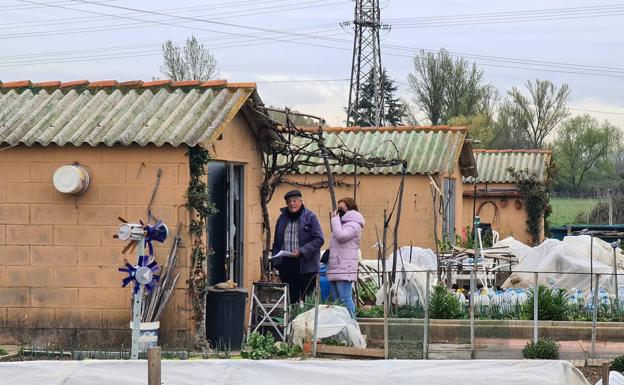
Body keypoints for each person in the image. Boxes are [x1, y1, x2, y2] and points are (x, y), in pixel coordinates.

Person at [272, 190, 324, 304]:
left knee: (307, 300)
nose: (291, 204)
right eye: (289, 201)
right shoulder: (282, 218)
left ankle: (306, 322)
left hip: (306, 265)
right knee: (291, 299)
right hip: (286, 265)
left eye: (294, 201)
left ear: (301, 201)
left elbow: (319, 239)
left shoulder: (310, 217)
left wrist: (302, 251)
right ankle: (291, 321)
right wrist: (276, 262)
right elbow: (276, 242)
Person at [327, 197, 365, 318]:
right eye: (338, 209)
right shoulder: (342, 223)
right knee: (337, 301)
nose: (339, 212)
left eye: (342, 209)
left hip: (345, 266)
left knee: (345, 298)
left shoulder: (354, 225)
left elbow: (341, 236)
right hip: (335, 266)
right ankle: (343, 328)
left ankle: (353, 327)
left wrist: (334, 219)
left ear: (350, 209)